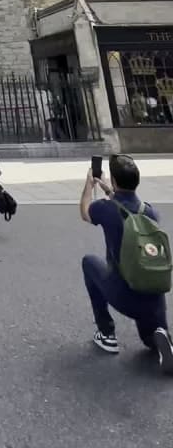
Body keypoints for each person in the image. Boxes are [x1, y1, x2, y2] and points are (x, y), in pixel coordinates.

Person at [79, 154, 173, 372]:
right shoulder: (150, 211)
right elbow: (127, 207)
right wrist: (111, 191)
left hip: (124, 294)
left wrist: (89, 185)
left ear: (113, 180)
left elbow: (85, 212)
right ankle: (163, 340)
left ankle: (107, 334)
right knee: (150, 340)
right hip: (154, 296)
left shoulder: (105, 209)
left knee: (89, 262)